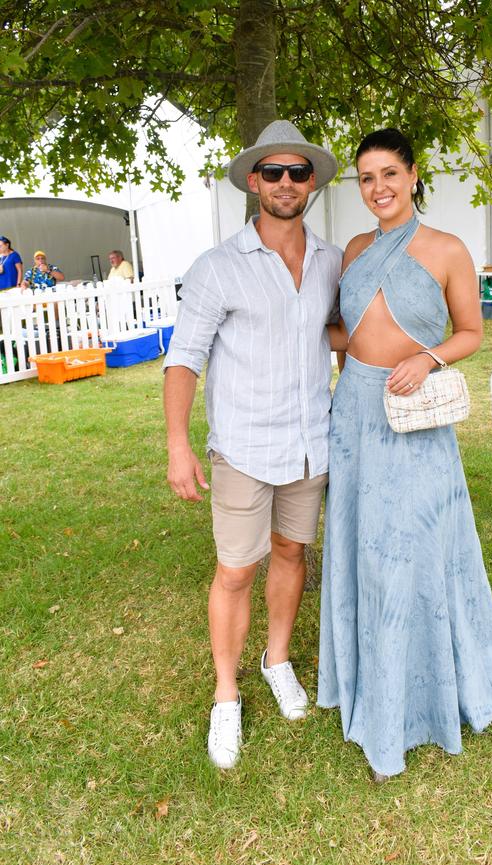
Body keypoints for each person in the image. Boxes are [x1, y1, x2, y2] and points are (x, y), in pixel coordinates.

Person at [318, 128, 492, 780]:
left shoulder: (447, 249)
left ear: (412, 175)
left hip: (414, 415)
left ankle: (419, 703)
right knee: (364, 554)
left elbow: (472, 332)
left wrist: (426, 357)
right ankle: (370, 695)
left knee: (413, 556)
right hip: (355, 412)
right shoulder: (352, 249)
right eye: (365, 178)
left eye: (388, 174)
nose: (377, 188)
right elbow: (347, 332)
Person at [163, 121, 341, 770]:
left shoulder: (331, 262)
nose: (286, 183)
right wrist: (178, 444)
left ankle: (277, 660)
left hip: (308, 446)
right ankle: (226, 693)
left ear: (312, 182)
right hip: (242, 446)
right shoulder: (216, 268)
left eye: (298, 172)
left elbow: (342, 335)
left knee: (292, 552)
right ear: (253, 183)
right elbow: (183, 358)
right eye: (274, 173)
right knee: (237, 569)